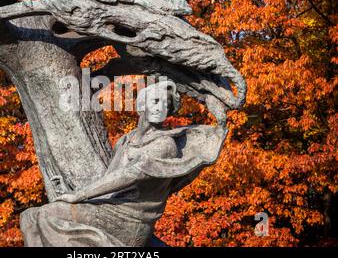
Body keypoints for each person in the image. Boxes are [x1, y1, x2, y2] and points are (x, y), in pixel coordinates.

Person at [20, 80, 221, 246]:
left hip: (130, 221)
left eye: (166, 105)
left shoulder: (165, 145)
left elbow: (131, 175)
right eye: (156, 101)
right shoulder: (126, 140)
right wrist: (70, 191)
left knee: (47, 215)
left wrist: (78, 195)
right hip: (108, 208)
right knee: (28, 217)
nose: (160, 108)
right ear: (142, 105)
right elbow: (110, 180)